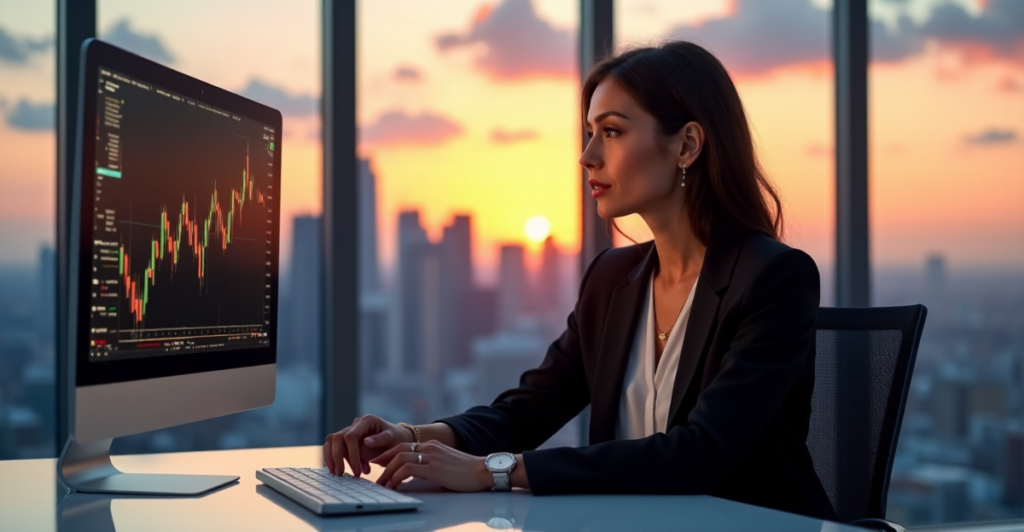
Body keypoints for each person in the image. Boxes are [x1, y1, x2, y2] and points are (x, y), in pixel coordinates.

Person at [323, 40, 836, 520]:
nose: (588, 155)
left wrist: (492, 472)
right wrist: (410, 435)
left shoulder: (773, 278)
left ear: (687, 145)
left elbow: (700, 453)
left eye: (611, 131)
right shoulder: (612, 279)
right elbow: (527, 411)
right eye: (590, 133)